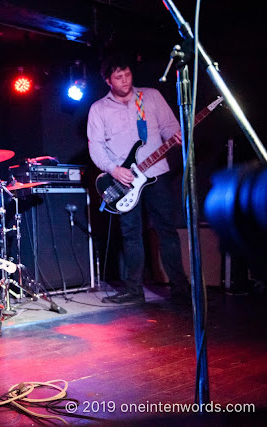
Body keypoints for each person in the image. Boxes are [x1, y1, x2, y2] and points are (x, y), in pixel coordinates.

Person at [87, 54, 191, 304]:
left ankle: (181, 288)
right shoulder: (98, 109)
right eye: (118, 77)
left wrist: (176, 137)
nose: (125, 81)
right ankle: (134, 290)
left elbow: (168, 127)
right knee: (131, 234)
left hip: (156, 174)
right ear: (107, 81)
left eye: (128, 75)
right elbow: (96, 147)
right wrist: (113, 169)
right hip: (124, 180)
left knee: (167, 231)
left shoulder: (150, 96)